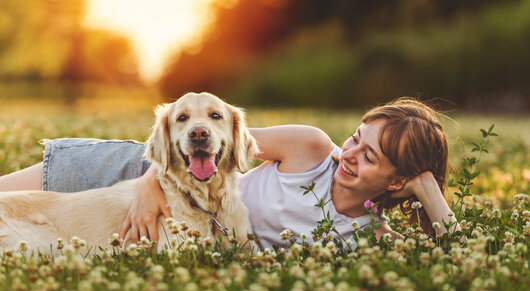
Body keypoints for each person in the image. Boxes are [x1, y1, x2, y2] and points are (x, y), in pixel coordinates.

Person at [0, 98, 458, 250]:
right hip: (148, 170)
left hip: (190, 229)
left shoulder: (368, 236)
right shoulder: (314, 148)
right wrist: (148, 183)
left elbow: (451, 257)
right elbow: (213, 140)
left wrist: (429, 193)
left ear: (398, 182)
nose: (351, 152)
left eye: (370, 157)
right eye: (357, 137)